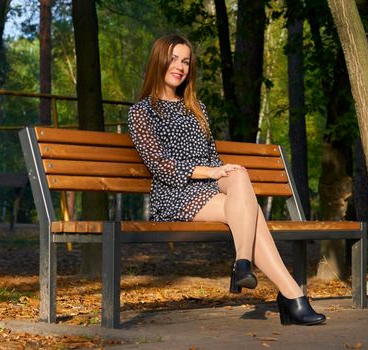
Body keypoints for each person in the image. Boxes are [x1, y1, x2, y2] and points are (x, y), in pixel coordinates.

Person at [128, 34, 325, 326]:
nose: (180, 66)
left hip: (208, 192)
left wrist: (226, 172)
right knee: (252, 213)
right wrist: (211, 173)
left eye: (185, 61)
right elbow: (162, 166)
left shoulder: (197, 109)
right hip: (174, 195)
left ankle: (245, 265)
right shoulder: (142, 112)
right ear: (159, 60)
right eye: (173, 59)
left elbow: (211, 159)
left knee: (239, 175)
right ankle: (289, 294)